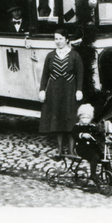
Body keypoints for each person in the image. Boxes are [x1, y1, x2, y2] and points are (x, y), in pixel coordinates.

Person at [38, 28, 84, 157]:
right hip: (55, 92)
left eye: (60, 39)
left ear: (66, 39)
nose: (58, 41)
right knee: (57, 120)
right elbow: (45, 74)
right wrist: (42, 90)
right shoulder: (50, 56)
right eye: (56, 39)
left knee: (70, 120)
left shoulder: (75, 55)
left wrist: (79, 90)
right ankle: (59, 150)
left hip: (70, 91)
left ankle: (71, 150)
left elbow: (80, 74)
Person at [72, 104, 105, 185]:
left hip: (93, 148)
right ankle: (93, 175)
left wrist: (101, 132)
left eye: (87, 118)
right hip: (82, 149)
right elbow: (74, 134)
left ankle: (111, 177)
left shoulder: (92, 127)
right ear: (79, 118)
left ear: (91, 118)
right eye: (83, 118)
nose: (85, 120)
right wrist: (82, 135)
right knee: (95, 156)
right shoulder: (77, 127)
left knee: (105, 158)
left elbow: (99, 135)